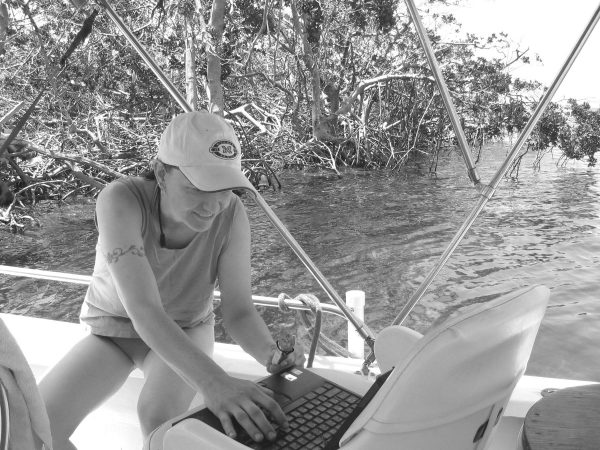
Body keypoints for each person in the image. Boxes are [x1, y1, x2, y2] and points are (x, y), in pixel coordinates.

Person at [39, 111, 306, 449]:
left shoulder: (232, 213)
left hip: (187, 328)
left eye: (225, 188)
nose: (213, 205)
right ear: (162, 173)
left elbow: (238, 311)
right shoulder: (120, 200)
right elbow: (144, 309)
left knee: (158, 419)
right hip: (113, 330)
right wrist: (214, 383)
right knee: (32, 424)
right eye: (198, 188)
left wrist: (269, 352)